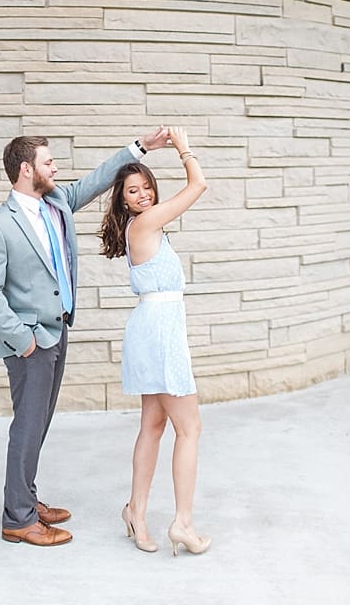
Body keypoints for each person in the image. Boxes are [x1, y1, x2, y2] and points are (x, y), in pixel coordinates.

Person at [0, 128, 169, 546]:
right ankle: (18, 519)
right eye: (47, 161)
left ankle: (24, 497)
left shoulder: (56, 202)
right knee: (27, 426)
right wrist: (21, 338)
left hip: (57, 331)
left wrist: (141, 147)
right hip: (29, 342)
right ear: (26, 170)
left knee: (37, 423)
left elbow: (98, 179)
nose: (55, 167)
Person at [99, 126, 210, 556]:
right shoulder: (145, 223)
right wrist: (183, 146)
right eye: (133, 190)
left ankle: (136, 511)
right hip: (159, 332)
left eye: (146, 187)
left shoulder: (144, 225)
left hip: (152, 327)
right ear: (122, 200)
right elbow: (199, 184)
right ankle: (182, 523)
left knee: (154, 424)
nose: (143, 195)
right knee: (190, 427)